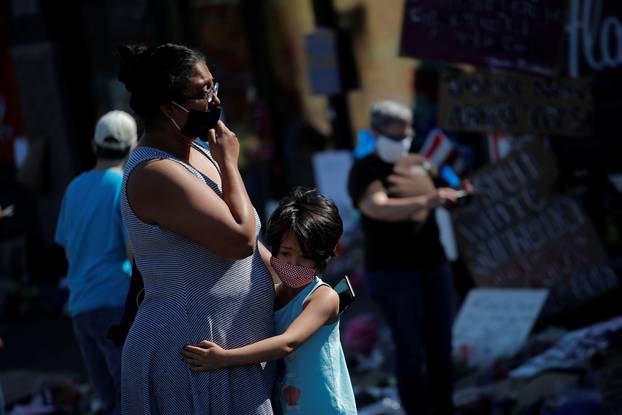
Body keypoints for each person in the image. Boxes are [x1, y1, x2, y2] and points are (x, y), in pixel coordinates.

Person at [117, 43, 276, 414]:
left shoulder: (198, 151)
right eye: (202, 92)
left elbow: (258, 247)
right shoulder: (156, 172)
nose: (214, 99)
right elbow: (239, 239)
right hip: (194, 354)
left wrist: (302, 283)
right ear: (167, 107)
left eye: (213, 86)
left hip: (233, 350)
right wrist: (231, 165)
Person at [182, 188, 357, 415]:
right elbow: (251, 244)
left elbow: (287, 343)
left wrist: (224, 358)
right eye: (285, 253)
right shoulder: (274, 292)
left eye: (305, 257)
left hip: (327, 407)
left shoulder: (323, 297)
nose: (293, 263)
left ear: (322, 257)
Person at [347, 100, 462, 415]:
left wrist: (457, 195)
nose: (402, 142)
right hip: (394, 274)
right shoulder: (366, 168)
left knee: (440, 347)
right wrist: (428, 200)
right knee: (409, 349)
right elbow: (376, 207)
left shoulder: (419, 163)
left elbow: (445, 189)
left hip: (434, 266)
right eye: (395, 137)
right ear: (376, 133)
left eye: (406, 135)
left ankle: (444, 407)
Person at [54, 110, 137, 415]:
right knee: (130, 395)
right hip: (115, 302)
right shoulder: (123, 185)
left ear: (94, 145)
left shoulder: (73, 188)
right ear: (132, 146)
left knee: (107, 397)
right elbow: (133, 252)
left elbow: (67, 251)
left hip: (81, 308)